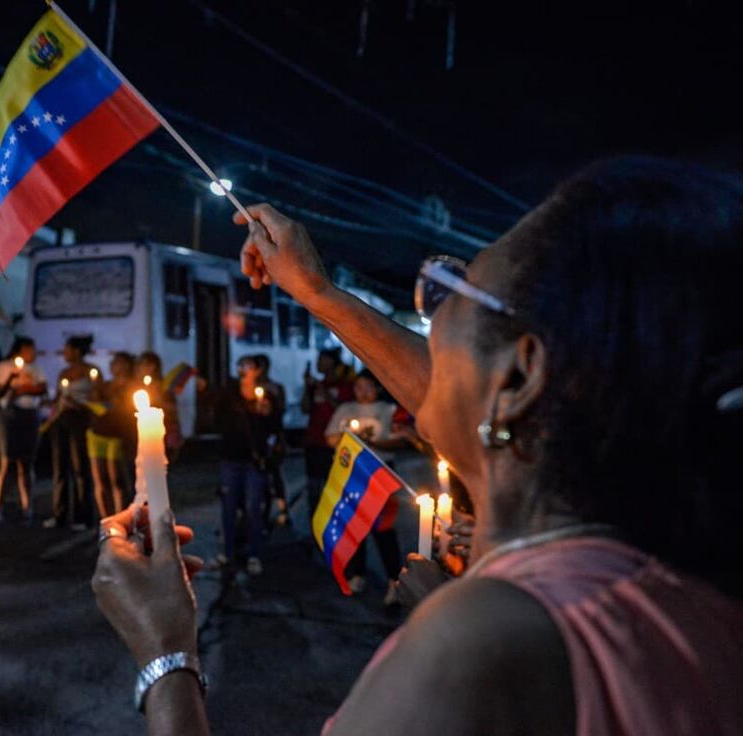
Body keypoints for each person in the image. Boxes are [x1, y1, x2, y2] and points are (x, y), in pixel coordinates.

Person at [91, 159, 743, 734]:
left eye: (453, 289)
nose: (429, 314)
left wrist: (165, 652)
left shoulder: (482, 645)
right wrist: (317, 293)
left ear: (517, 379)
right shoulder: (678, 595)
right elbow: (455, 388)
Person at [325, 369, 405, 599]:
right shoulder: (345, 409)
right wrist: (348, 439)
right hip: (354, 474)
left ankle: (394, 581)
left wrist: (371, 440)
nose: (362, 391)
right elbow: (330, 437)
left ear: (378, 387)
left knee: (383, 529)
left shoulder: (388, 410)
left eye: (368, 386)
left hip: (382, 474)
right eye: (358, 387)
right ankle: (357, 573)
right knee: (354, 525)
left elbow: (400, 441)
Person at [209, 355, 284, 576]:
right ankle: (227, 552)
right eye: (241, 365)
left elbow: (274, 427)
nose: (244, 369)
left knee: (253, 507)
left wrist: (266, 413)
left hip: (254, 459)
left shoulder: (267, 394)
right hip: (231, 456)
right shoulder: (229, 393)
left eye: (249, 366)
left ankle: (254, 554)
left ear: (257, 371)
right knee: (229, 505)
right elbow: (218, 421)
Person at [0, 337, 48, 526]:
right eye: (30, 349)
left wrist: (23, 389)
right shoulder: (3, 367)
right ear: (20, 350)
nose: (33, 353)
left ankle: (26, 507)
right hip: (10, 416)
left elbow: (42, 389)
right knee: (6, 462)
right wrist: (12, 379)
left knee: (26, 463)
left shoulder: (36, 369)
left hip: (30, 415)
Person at [44, 335, 98, 531]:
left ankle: (83, 516)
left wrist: (81, 403)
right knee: (60, 468)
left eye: (67, 349)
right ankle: (60, 514)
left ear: (77, 351)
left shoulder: (91, 371)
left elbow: (97, 396)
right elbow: (58, 397)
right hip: (61, 420)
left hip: (80, 419)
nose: (65, 352)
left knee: (80, 468)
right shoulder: (64, 372)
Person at [301, 348, 353, 524]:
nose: (319, 363)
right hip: (313, 442)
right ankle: (316, 525)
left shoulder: (344, 386)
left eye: (323, 359)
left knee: (335, 487)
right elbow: (305, 409)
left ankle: (337, 523)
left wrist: (322, 388)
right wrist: (307, 386)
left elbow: (342, 410)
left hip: (334, 445)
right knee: (314, 488)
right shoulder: (315, 385)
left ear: (333, 362)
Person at [87, 351, 136, 520]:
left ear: (126, 365)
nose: (112, 365)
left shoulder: (132, 386)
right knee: (100, 479)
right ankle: (105, 519)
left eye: (116, 362)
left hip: (116, 433)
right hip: (97, 432)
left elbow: (126, 408)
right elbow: (93, 400)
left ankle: (120, 517)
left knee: (116, 479)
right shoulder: (105, 385)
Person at [253, 354, 289, 527]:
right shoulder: (248, 389)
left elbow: (280, 411)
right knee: (260, 481)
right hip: (257, 438)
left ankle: (283, 511)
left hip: (272, 436)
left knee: (275, 477)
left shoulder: (275, 388)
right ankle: (261, 514)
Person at [136, 351, 183, 461]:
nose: (142, 368)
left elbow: (172, 409)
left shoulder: (164, 386)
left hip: (163, 431)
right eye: (140, 364)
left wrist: (158, 400)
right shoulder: (136, 385)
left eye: (146, 364)